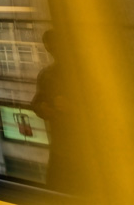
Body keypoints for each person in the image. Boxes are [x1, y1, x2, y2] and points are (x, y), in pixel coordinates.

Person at [31, 30, 80, 193]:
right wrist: (43, 109)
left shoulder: (82, 73)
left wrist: (74, 108)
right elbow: (36, 103)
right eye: (49, 47)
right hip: (60, 144)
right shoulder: (46, 74)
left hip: (83, 145)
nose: (52, 50)